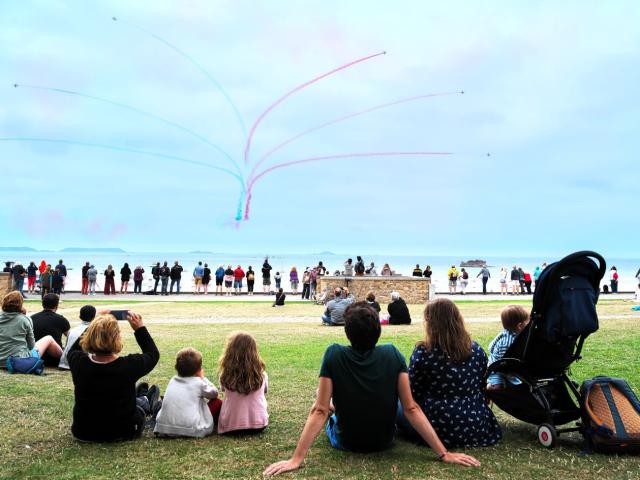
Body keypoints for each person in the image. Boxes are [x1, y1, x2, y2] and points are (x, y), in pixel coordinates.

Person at [263, 302, 480, 476]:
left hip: (346, 442)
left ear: (347, 332)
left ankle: (332, 404)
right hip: (383, 441)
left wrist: (296, 459)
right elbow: (410, 408)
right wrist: (443, 453)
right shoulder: (392, 354)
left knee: (322, 404)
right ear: (378, 329)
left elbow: (319, 411)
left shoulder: (334, 354)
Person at [396, 298, 501, 449]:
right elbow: (481, 385)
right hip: (476, 425)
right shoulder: (476, 350)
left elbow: (414, 394)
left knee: (399, 405)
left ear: (430, 323)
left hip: (437, 427)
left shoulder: (424, 352)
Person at [68, 311, 160, 442]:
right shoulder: (129, 365)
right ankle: (144, 399)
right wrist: (139, 328)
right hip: (123, 431)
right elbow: (152, 354)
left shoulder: (78, 362)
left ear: (90, 335)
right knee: (139, 410)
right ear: (117, 337)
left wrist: (94, 325)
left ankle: (143, 398)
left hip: (83, 432)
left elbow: (73, 349)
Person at [154, 347, 221, 438]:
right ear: (198, 370)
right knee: (217, 402)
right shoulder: (198, 383)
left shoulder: (172, 380)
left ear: (176, 367)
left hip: (164, 428)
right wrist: (203, 378)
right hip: (192, 429)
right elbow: (214, 393)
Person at [217, 332, 269, 435]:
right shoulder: (261, 375)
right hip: (258, 426)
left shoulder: (225, 375)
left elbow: (223, 389)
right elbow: (265, 391)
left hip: (230, 427)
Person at [0, 292, 63, 370]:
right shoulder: (25, 320)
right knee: (49, 338)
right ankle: (64, 359)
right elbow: (31, 346)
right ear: (20, 304)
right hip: (19, 361)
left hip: (1, 361)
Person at [487, 305, 530, 389]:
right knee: (497, 386)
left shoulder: (517, 335)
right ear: (520, 326)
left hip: (507, 367)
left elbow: (490, 346)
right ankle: (488, 388)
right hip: (496, 369)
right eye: (527, 323)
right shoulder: (507, 343)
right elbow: (502, 363)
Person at [31, 293, 70, 367]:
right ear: (56, 306)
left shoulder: (32, 318)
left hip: (37, 356)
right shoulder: (61, 320)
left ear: (42, 304)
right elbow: (69, 336)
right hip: (54, 359)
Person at [58, 305, 96, 370]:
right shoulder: (93, 331)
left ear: (80, 316)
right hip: (78, 363)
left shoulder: (72, 330)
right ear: (94, 317)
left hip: (65, 362)